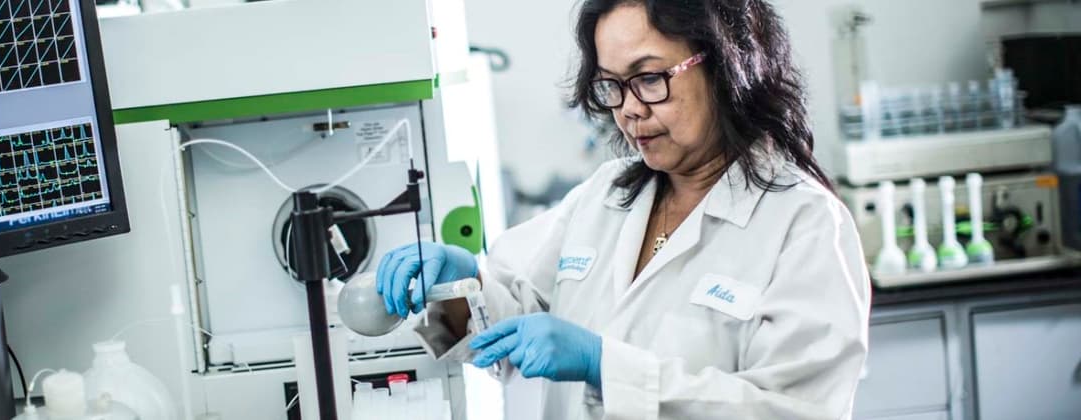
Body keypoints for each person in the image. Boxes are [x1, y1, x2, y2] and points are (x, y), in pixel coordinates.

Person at [374, 0, 872, 418]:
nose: (629, 109)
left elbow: (795, 410)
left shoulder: (802, 225)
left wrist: (605, 367)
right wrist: (464, 286)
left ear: (724, 64)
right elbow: (515, 314)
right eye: (611, 84)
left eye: (650, 78)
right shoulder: (606, 194)